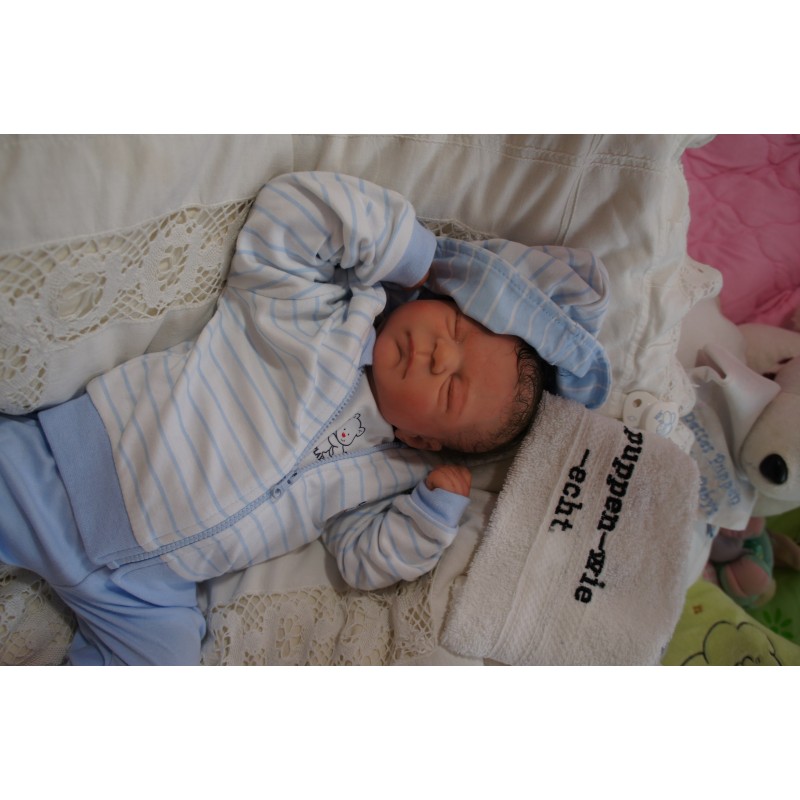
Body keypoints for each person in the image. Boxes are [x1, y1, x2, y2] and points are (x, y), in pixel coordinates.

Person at [0, 171, 610, 665]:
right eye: (454, 327)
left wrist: (427, 522)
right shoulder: (318, 312)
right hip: (71, 474)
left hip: (150, 589)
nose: (440, 355)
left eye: (451, 389)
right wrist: (408, 249)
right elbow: (291, 213)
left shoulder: (391, 474)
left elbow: (361, 561)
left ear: (425, 436)